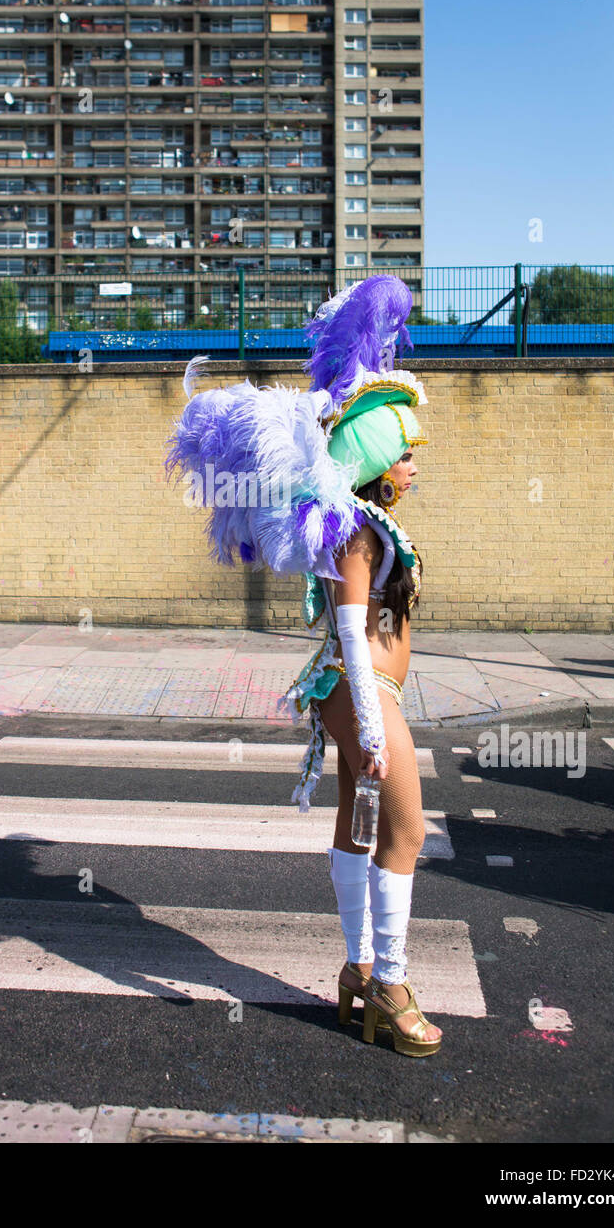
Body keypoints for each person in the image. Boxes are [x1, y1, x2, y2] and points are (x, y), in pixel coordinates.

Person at [165, 273, 441, 1058]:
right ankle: (389, 985)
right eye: (406, 449)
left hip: (355, 693)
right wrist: (375, 730)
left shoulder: (359, 521)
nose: (416, 461)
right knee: (409, 830)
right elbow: (354, 632)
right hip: (362, 690)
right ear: (378, 460)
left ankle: (357, 973)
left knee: (360, 829)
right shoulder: (354, 534)